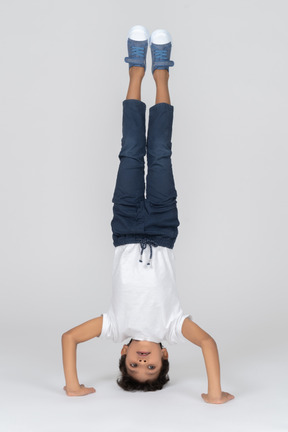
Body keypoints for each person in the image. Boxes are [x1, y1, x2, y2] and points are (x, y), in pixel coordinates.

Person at [61, 25, 235, 404]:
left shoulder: (114, 325)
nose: (143, 362)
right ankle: (162, 74)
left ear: (121, 353)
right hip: (161, 226)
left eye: (134, 366)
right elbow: (207, 343)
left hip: (124, 228)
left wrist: (73, 387)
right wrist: (215, 393)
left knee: (129, 151)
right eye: (152, 367)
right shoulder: (173, 326)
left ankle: (135, 71)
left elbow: (69, 338)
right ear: (164, 355)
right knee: (158, 153)